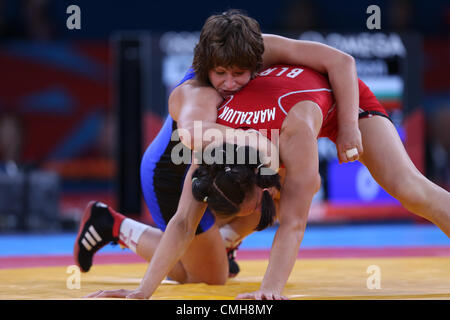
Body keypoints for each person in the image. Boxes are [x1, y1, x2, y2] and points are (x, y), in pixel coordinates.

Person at [85, 63, 450, 300]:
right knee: (238, 233)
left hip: (339, 99)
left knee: (412, 191)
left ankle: (225, 239)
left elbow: (294, 222)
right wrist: (140, 293)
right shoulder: (209, 145)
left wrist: (269, 291)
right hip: (258, 131)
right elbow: (182, 222)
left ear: (264, 181)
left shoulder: (295, 137)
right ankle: (226, 240)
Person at [77, 9, 364, 298]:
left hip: (227, 160)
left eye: (239, 74)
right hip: (172, 173)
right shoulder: (199, 93)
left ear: (256, 63)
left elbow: (340, 61)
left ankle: (221, 243)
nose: (229, 84)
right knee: (210, 277)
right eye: (220, 74)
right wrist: (141, 292)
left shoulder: (260, 49)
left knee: (295, 186)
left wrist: (350, 127)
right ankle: (114, 225)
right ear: (206, 67)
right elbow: (192, 137)